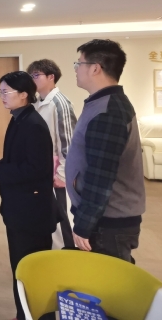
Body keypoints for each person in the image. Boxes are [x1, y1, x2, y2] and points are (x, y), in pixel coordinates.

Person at [0, 71, 55, 320]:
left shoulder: (33, 125)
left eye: (6, 92)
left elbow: (37, 168)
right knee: (21, 267)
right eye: (0, 92)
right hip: (19, 208)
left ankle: (33, 315)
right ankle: (23, 313)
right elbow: (17, 158)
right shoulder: (19, 118)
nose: (2, 96)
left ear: (24, 94)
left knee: (31, 269)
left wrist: (1, 171)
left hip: (31, 213)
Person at [67, 39, 145, 262]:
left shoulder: (108, 111)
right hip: (103, 218)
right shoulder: (101, 103)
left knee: (109, 280)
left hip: (108, 222)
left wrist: (84, 225)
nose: (76, 69)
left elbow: (101, 176)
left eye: (79, 63)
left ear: (95, 68)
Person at [27, 59, 77, 249]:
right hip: (43, 171)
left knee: (61, 218)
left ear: (51, 77)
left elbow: (69, 143)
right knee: (47, 218)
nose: (32, 79)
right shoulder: (36, 103)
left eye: (36, 75)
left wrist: (62, 175)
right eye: (30, 75)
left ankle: (67, 256)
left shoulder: (60, 103)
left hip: (58, 173)